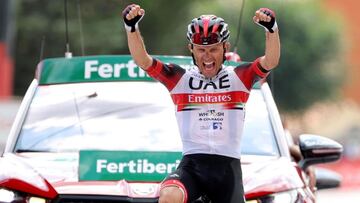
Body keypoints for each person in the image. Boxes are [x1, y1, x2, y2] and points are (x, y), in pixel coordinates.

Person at [122, 4, 280, 203]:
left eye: (213, 49)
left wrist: (271, 30)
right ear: (191, 49)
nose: (207, 56)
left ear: (225, 48)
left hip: (227, 171)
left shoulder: (239, 77)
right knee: (169, 195)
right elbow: (144, 61)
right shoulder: (180, 78)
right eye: (201, 49)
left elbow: (270, 61)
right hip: (192, 166)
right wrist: (132, 28)